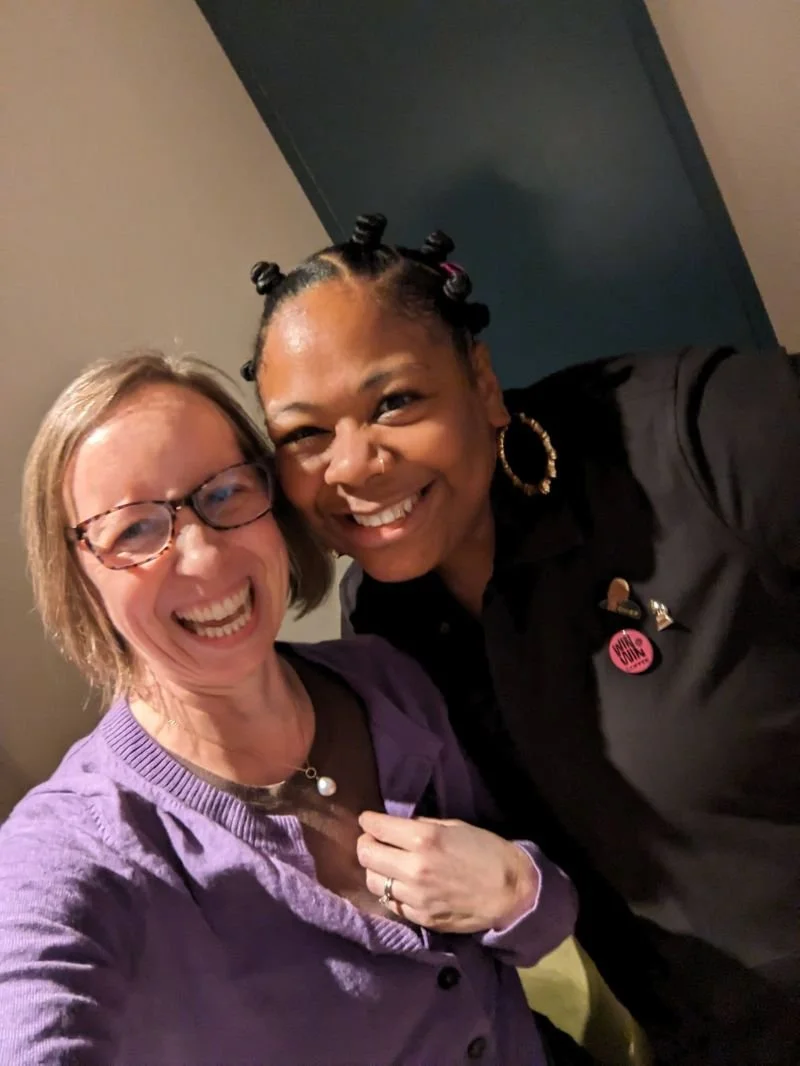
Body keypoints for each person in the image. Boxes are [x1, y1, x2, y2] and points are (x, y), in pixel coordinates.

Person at [244, 213, 800, 1065]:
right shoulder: (385, 629)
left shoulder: (704, 437)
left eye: (394, 401)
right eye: (304, 435)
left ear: (483, 382)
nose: (350, 465)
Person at [0, 350, 579, 1066]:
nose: (205, 557)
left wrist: (518, 890)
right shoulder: (80, 844)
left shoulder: (388, 680)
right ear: (81, 582)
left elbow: (543, 920)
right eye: (134, 530)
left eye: (224, 492)